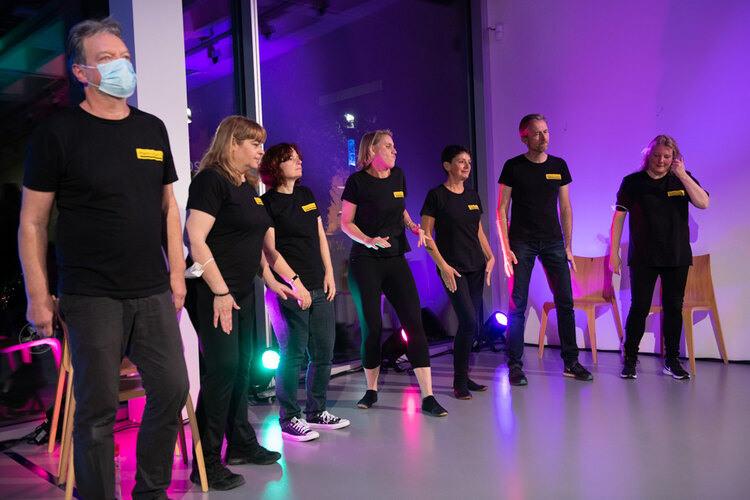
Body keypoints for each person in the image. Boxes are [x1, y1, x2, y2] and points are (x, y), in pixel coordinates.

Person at [19, 17, 189, 499]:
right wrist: (38, 296)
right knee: (96, 410)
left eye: (124, 57)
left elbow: (168, 207)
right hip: (90, 294)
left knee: (172, 388)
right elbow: (33, 222)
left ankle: (150, 491)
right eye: (106, 59)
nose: (121, 66)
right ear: (81, 72)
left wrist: (177, 272)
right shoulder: (57, 134)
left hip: (152, 289)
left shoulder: (151, 128)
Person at [184, 117, 307, 489]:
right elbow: (195, 239)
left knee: (240, 369)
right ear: (232, 143)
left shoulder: (248, 187)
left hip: (240, 291)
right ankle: (205, 461)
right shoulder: (210, 181)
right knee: (222, 369)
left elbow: (254, 248)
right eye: (255, 144)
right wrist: (220, 292)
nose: (260, 151)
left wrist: (274, 281)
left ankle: (239, 444)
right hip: (212, 290)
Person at [341, 129, 448, 417]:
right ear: (372, 151)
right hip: (366, 261)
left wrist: (413, 226)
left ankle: (428, 396)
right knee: (373, 328)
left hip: (396, 259)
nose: (394, 150)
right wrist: (368, 240)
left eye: (394, 146)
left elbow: (400, 210)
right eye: (388, 146)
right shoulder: (357, 182)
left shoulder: (398, 176)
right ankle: (371, 389)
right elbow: (346, 223)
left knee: (414, 324)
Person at [259, 143, 350, 442]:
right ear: (275, 167)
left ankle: (316, 411)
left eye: (299, 157)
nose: (299, 162)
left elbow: (320, 237)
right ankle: (289, 418)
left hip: (318, 284)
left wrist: (329, 273)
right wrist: (295, 283)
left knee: (323, 353)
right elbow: (270, 252)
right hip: (287, 289)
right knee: (293, 354)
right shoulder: (267, 203)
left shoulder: (307, 195)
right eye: (291, 159)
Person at [497, 114, 593, 386]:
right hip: (522, 242)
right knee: (517, 305)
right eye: (537, 133)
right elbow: (502, 209)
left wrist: (568, 245)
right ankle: (515, 365)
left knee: (565, 302)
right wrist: (506, 248)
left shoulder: (558, 165)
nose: (543, 137)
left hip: (553, 241)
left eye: (546, 131)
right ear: (524, 136)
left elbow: (566, 207)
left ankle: (571, 362)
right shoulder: (513, 166)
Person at [610, 135, 709, 380]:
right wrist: (613, 253)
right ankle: (630, 359)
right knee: (639, 307)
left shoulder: (682, 179)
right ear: (648, 155)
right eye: (656, 155)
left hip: (676, 255)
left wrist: (683, 174)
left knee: (674, 308)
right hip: (644, 256)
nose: (661, 160)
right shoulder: (632, 182)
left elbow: (703, 203)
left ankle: (672, 361)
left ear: (674, 157)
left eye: (666, 156)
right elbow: (619, 218)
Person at [420, 145, 495, 399]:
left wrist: (490, 256)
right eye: (461, 161)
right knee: (468, 320)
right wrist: (443, 266)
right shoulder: (436, 196)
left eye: (469, 162)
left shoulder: (472, 196)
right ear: (447, 165)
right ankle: (459, 382)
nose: (466, 166)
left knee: (470, 325)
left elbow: (478, 231)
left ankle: (464, 376)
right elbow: (426, 236)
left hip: (476, 267)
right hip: (452, 269)